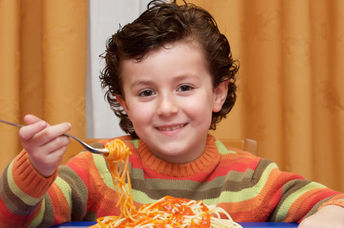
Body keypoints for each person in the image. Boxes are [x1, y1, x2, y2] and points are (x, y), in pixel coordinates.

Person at [0, 0, 343, 227]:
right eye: (147, 93)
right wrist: (36, 170)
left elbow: (334, 206)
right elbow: (16, 219)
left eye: (185, 88)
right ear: (124, 104)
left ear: (218, 94)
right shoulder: (98, 172)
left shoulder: (251, 179)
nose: (166, 108)